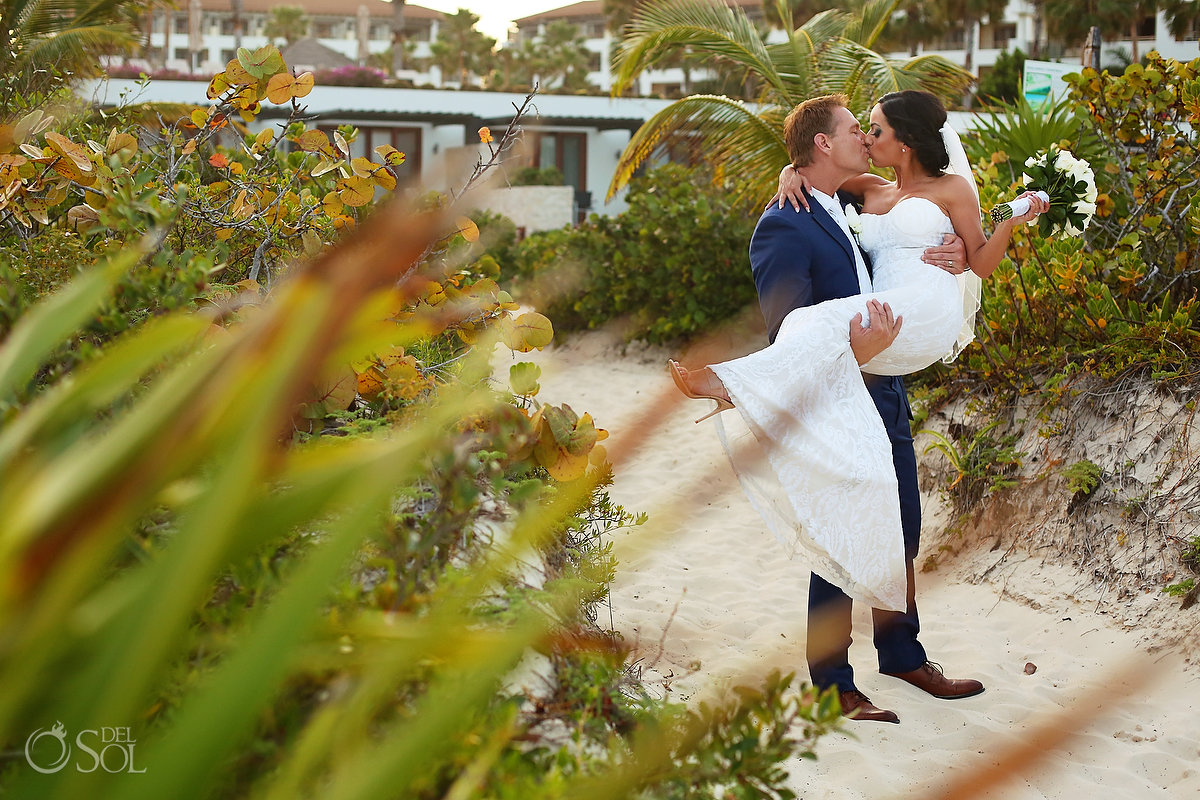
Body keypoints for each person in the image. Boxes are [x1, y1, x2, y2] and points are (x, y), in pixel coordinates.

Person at [670, 91, 1046, 723]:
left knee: (899, 527)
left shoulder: (848, 200)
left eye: (871, 130)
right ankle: (833, 683)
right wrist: (855, 351)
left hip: (887, 385)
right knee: (840, 536)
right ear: (824, 143)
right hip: (834, 389)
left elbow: (928, 252)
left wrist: (962, 254)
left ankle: (902, 654)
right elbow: (789, 325)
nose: (864, 138)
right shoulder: (785, 219)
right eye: (853, 130)